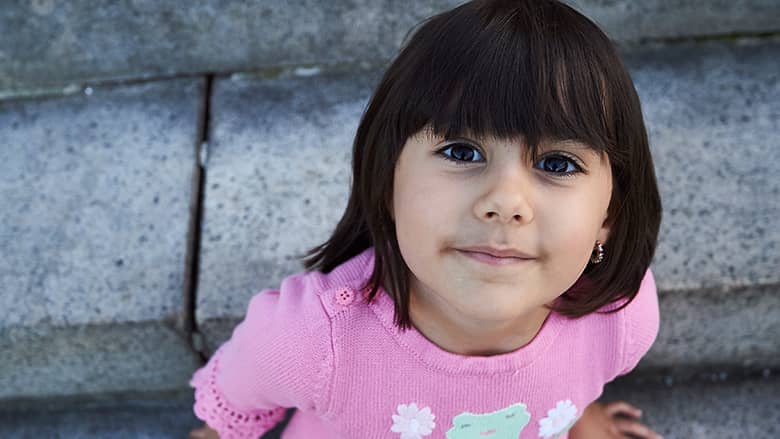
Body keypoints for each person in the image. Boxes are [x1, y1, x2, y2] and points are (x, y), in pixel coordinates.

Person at [188, 0, 664, 437]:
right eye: (462, 150)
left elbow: (570, 378)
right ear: (387, 182)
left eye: (557, 164)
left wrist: (580, 416)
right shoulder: (308, 341)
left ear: (610, 214)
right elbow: (231, 408)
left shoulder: (619, 319)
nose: (505, 201)